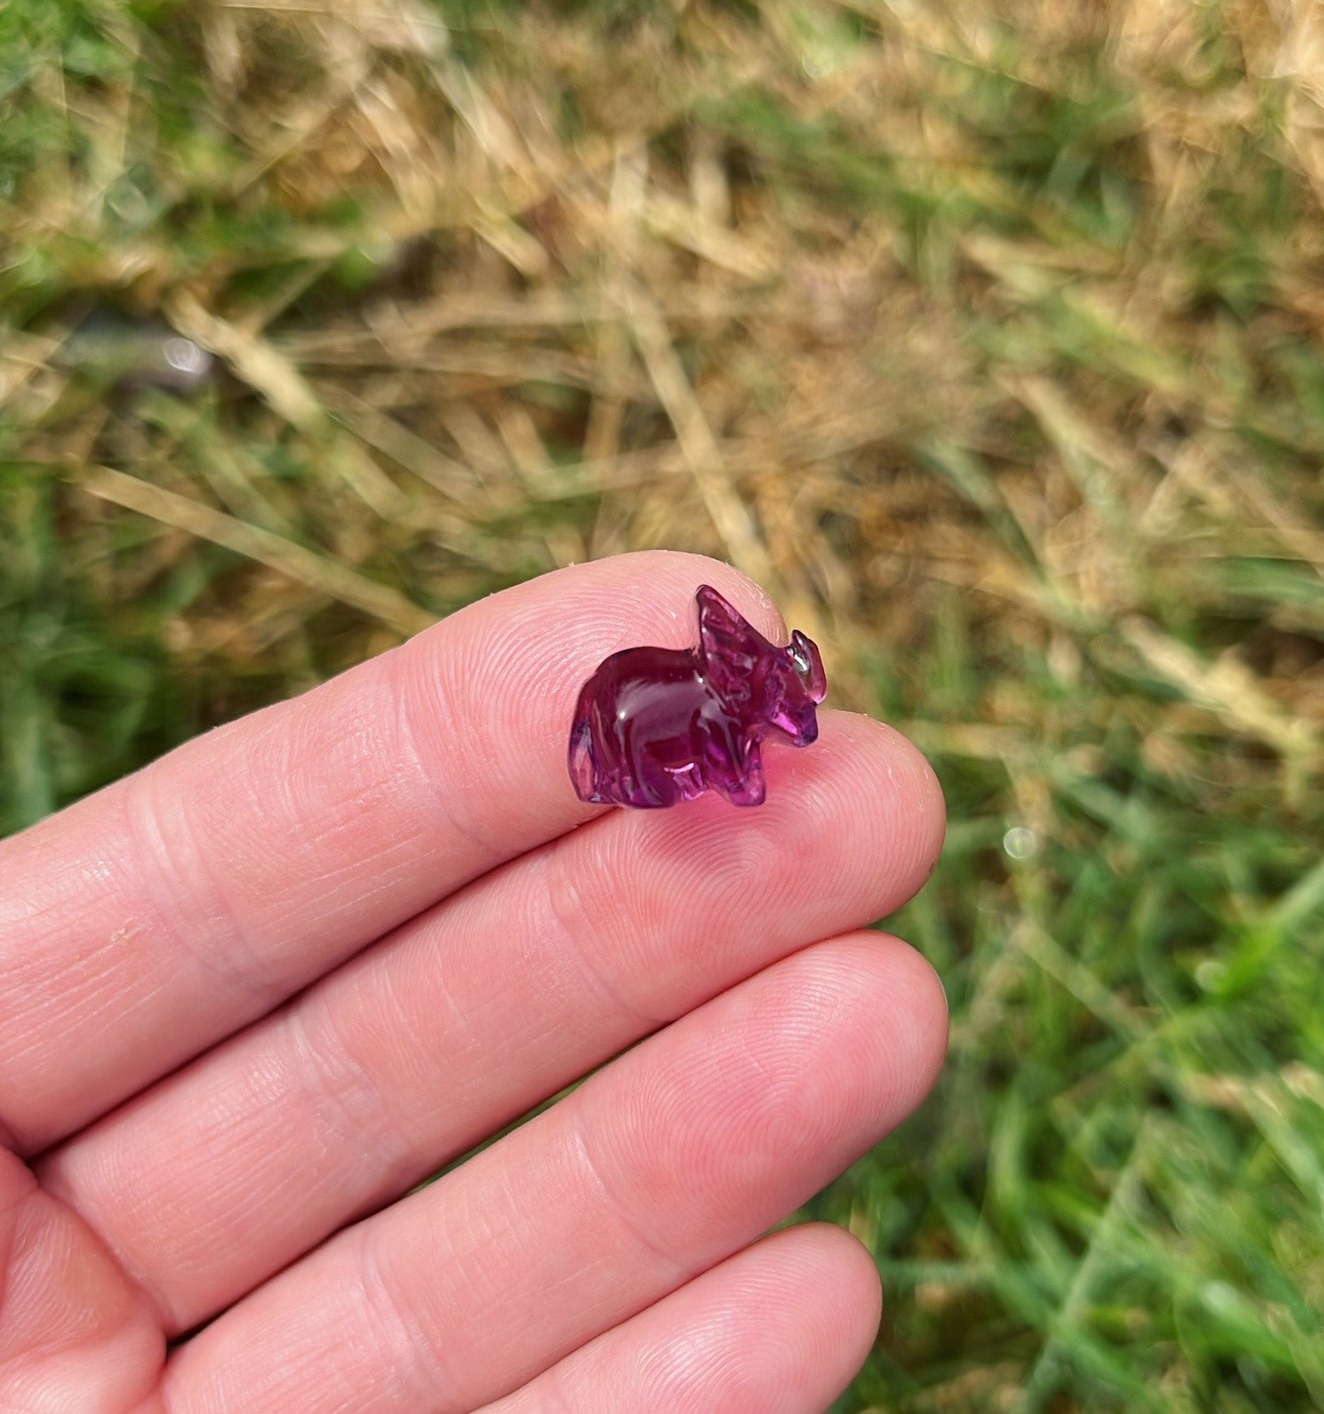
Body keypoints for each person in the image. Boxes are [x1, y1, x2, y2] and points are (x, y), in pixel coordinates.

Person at [0, 553, 947, 1413]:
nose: (791, 723)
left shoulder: (730, 701)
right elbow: (737, 777)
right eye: (782, 706)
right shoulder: (699, 703)